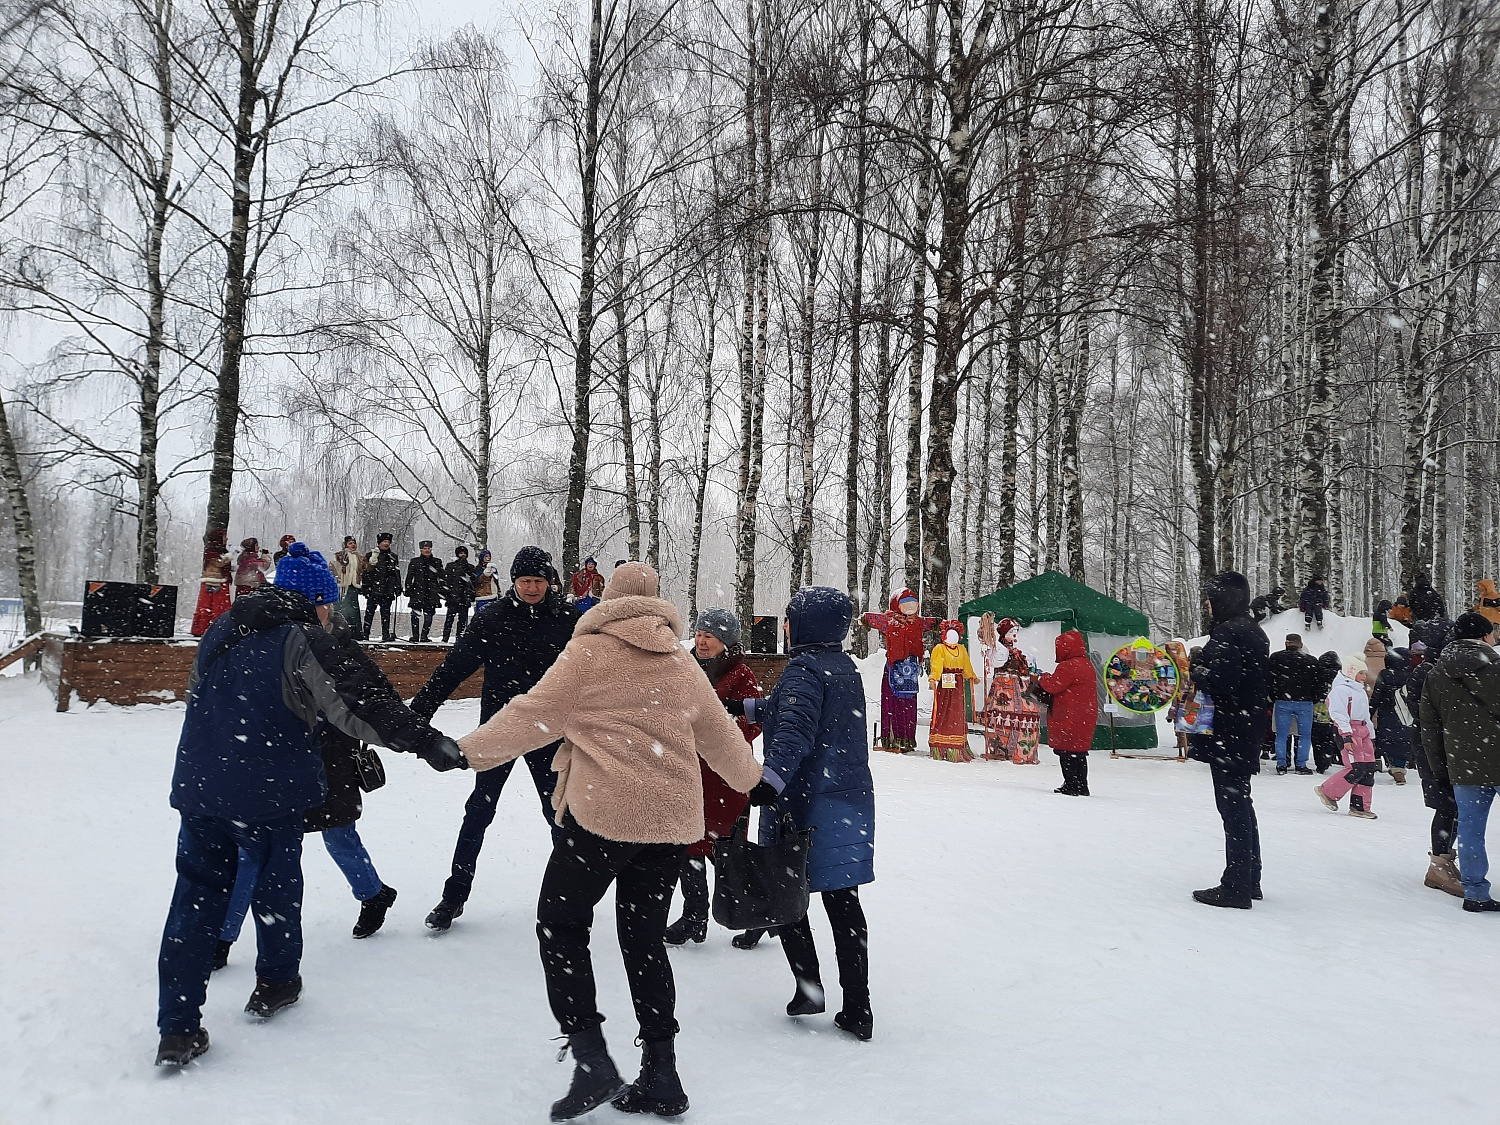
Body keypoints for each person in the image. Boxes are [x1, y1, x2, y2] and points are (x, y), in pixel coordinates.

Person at [457, 563, 761, 1121]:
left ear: (607, 601)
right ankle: (662, 1072)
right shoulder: (681, 663)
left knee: (561, 922)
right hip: (669, 826)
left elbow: (534, 714)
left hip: (602, 819)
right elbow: (719, 732)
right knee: (642, 940)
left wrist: (466, 751)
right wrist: (753, 782)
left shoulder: (588, 654)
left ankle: (591, 1057)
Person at [153, 544, 465, 1067]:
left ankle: (177, 1028)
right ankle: (276, 981)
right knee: (276, 887)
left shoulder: (221, 628)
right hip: (270, 791)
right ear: (317, 600)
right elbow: (361, 702)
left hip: (202, 787)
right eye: (329, 603)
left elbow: (198, 695)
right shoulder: (304, 637)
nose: (331, 612)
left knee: (194, 899)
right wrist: (425, 741)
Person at [214, 595, 411, 969]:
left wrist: (403, 731)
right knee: (254, 850)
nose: (310, 610)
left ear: (330, 606)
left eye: (318, 603)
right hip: (278, 756)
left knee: (339, 835)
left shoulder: (341, 645)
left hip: (331, 757)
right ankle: (223, 938)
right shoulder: (268, 639)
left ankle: (373, 894)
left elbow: (381, 694)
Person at [411, 546, 580, 932]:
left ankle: (571, 897)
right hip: (499, 732)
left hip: (547, 732)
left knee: (558, 814)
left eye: (539, 580)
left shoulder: (568, 619)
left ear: (549, 580)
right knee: (478, 812)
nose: (532, 588)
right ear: (514, 582)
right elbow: (453, 669)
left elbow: (593, 673)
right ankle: (453, 897)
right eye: (525, 581)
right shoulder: (493, 619)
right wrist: (418, 713)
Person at [733, 586, 875, 1042]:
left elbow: (793, 730)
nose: (787, 626)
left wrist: (768, 783)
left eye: (790, 618)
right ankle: (858, 1006)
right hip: (846, 802)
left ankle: (809, 987)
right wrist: (738, 707)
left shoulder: (802, 670)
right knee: (842, 902)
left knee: (786, 894)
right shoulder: (842, 667)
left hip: (804, 803)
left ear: (803, 625)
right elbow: (793, 710)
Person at [664, 608, 762, 946]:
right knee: (689, 847)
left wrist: (717, 726)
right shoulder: (685, 667)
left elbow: (752, 722)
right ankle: (694, 917)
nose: (703, 641)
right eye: (701, 634)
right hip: (691, 774)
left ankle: (755, 916)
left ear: (726, 642)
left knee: (728, 853)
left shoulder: (741, 674)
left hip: (727, 778)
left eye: (711, 636)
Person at [1188, 572, 1270, 909]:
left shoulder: (1227, 632)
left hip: (1229, 733)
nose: (1207, 605)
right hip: (1245, 729)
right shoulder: (1254, 632)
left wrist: (1194, 670)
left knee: (1232, 808)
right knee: (1241, 804)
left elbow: (1223, 683)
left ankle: (1236, 885)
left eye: (1210, 598)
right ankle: (1250, 878)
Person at [1419, 611, 1500, 912]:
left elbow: (1429, 727)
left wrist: (1441, 768)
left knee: (1469, 829)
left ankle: (1476, 892)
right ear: (1483, 636)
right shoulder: (1495, 668)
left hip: (1463, 764)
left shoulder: (1436, 674)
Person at [1407, 621, 1462, 896]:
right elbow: (1424, 714)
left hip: (1437, 747)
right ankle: (1440, 865)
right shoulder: (1429, 673)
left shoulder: (1427, 671)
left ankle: (1443, 861)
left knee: (1451, 806)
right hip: (1435, 748)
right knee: (1447, 805)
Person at [860, 589, 936, 753]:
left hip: (911, 670)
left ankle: (907, 737)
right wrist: (865, 619)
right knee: (893, 702)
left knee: (908, 704)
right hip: (894, 668)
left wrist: (942, 624)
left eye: (913, 604)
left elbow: (932, 622)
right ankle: (892, 737)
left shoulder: (918, 623)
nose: (909, 607)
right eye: (905, 604)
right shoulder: (890, 621)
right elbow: (873, 619)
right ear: (897, 605)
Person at [1038, 629, 1100, 796]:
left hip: (1068, 716)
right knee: (1079, 753)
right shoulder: (1086, 664)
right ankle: (1082, 785)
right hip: (1085, 715)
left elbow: (1053, 685)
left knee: (1066, 751)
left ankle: (1071, 785)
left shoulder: (1068, 666)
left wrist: (1042, 677)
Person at [1315, 656, 1378, 819]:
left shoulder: (1360, 691)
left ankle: (1360, 806)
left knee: (1368, 768)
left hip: (1362, 730)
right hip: (1348, 730)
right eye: (1361, 673)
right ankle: (1328, 791)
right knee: (1356, 767)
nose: (1364, 676)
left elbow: (1366, 716)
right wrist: (1347, 736)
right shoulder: (1341, 691)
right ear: (1351, 672)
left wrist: (1371, 736)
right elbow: (1338, 714)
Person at [982, 616, 1041, 763]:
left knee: (1025, 717)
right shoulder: (999, 649)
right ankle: (1006, 747)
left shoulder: (1016, 651)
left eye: (1016, 631)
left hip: (1020, 689)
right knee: (1007, 717)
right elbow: (996, 661)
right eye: (1011, 631)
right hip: (1006, 689)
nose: (1014, 634)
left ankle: (1018, 749)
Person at [1268, 633, 1321, 775]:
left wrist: (1274, 696)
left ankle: (1281, 764)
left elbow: (1269, 679)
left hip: (1282, 701)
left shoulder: (1275, 658)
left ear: (1286, 644)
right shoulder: (1311, 661)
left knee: (1281, 734)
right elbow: (1318, 683)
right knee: (1304, 735)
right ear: (1301, 645)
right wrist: (1314, 698)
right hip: (1305, 702)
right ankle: (1301, 764)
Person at [927, 619, 976, 762]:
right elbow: (936, 666)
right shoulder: (940, 649)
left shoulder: (961, 649)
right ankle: (941, 743)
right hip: (946, 684)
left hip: (958, 685)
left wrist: (971, 676)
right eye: (950, 634)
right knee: (944, 712)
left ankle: (957, 743)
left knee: (957, 713)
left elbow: (966, 664)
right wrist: (933, 678)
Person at [1369, 642, 1413, 784]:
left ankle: (1384, 762)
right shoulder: (1412, 676)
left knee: (1387, 740)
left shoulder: (1385, 674)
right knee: (1403, 742)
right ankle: (1399, 768)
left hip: (1387, 714)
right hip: (1406, 716)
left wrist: (1369, 712)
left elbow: (1377, 696)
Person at [190, 528, 233, 637]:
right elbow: (219, 564)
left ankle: (209, 627)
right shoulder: (212, 552)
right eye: (224, 536)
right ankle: (209, 628)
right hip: (214, 581)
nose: (226, 538)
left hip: (216, 581)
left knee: (211, 606)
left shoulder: (217, 551)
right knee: (214, 606)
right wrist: (228, 558)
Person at [362, 533, 402, 642]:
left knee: (386, 614)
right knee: (369, 613)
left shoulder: (393, 557)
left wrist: (398, 587)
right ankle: (365, 634)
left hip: (387, 590)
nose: (386, 544)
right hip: (373, 589)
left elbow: (396, 573)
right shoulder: (371, 555)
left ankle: (385, 634)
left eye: (388, 542)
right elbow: (366, 573)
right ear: (379, 543)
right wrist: (365, 587)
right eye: (384, 541)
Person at [404, 540, 444, 642]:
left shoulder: (437, 562)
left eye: (428, 548)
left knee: (429, 615)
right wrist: (408, 589)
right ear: (421, 550)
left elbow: (441, 577)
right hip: (417, 591)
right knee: (415, 615)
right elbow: (409, 577)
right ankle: (415, 636)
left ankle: (424, 636)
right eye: (425, 548)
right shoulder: (415, 562)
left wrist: (440, 589)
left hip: (431, 592)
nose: (427, 550)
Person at [1310, 650, 1343, 773]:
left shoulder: (1317, 673)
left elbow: (1313, 690)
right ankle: (1327, 757)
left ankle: (1320, 762)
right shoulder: (1340, 675)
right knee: (1330, 737)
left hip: (1318, 710)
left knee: (1317, 738)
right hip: (1333, 711)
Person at [330, 536, 366, 640]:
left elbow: (366, 567)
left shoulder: (359, 557)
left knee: (353, 610)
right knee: (341, 608)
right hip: (342, 586)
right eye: (350, 543)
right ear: (346, 545)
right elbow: (333, 567)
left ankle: (355, 632)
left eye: (354, 543)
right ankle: (339, 630)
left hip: (353, 585)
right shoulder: (339, 555)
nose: (353, 545)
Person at [440, 545, 478, 642]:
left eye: (464, 553)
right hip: (452, 598)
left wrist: (471, 596)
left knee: (462, 621)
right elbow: (446, 581)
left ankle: (459, 639)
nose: (463, 555)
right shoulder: (450, 566)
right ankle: (445, 638)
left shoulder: (470, 567)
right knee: (449, 620)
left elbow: (474, 583)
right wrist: (446, 593)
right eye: (461, 553)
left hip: (464, 598)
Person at [471, 548, 501, 613]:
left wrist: (498, 592)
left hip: (493, 596)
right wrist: (485, 574)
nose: (488, 558)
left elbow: (496, 581)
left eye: (489, 556)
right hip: (483, 597)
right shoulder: (477, 569)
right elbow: (477, 581)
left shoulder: (492, 568)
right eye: (486, 556)